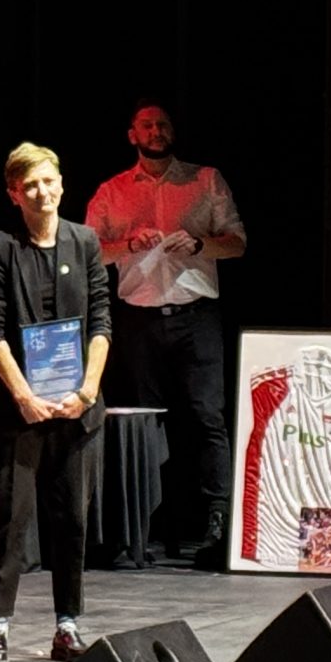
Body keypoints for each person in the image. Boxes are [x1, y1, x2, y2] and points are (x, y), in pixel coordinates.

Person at [84, 103, 245, 566]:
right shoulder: (112, 191)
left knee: (207, 417)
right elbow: (89, 251)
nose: (156, 131)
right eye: (147, 125)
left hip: (196, 317)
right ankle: (141, 528)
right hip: (139, 321)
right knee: (142, 424)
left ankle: (218, 522)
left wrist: (198, 244)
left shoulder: (205, 180)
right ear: (132, 134)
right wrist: (127, 244)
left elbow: (237, 242)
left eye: (163, 125)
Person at [0, 141, 111, 662]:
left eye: (48, 180)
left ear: (61, 183)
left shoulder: (85, 241)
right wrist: (24, 396)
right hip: (18, 412)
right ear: (14, 194)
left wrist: (87, 392)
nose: (42, 191)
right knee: (11, 520)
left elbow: (101, 322)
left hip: (77, 410)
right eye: (29, 184)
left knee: (72, 519)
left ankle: (67, 625)